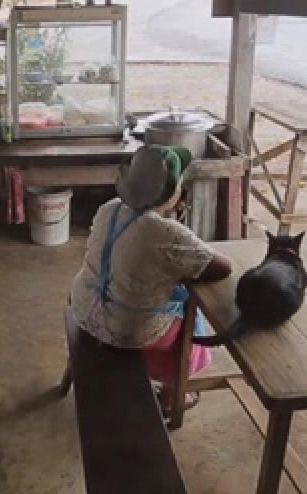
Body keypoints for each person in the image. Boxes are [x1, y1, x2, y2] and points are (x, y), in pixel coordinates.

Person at [69, 145, 233, 415]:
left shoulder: (109, 208)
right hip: (125, 327)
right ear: (172, 193)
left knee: (146, 296)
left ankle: (148, 374)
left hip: (85, 305)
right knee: (188, 315)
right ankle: (171, 393)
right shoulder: (165, 232)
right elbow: (222, 268)